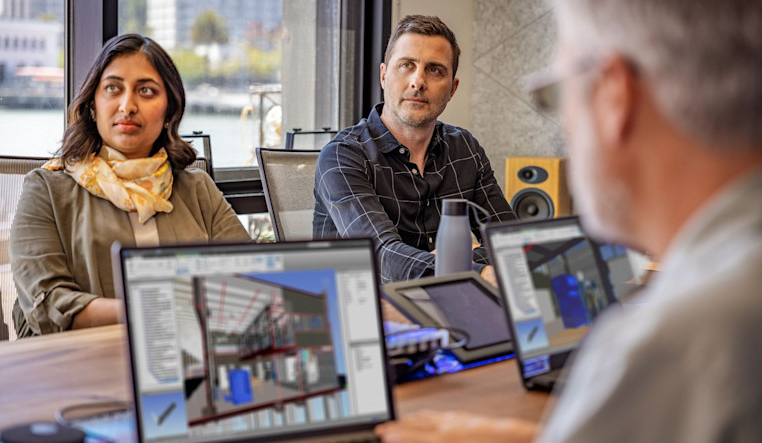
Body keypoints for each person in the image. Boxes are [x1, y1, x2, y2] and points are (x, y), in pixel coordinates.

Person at [375, 0, 762, 441]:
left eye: (555, 94)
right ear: (385, 72)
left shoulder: (672, 345)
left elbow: (510, 235)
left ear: (615, 98)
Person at [11, 34, 250, 337]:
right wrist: (155, 310)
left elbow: (250, 279)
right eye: (113, 88)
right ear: (93, 105)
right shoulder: (45, 189)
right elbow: (47, 305)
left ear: (169, 112)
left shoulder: (198, 189)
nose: (128, 106)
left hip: (188, 360)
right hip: (82, 366)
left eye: (146, 91)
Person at [313, 15, 516, 284]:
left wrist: (449, 262)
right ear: (384, 76)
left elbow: (511, 240)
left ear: (452, 88)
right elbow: (381, 257)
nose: (418, 81)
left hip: (445, 303)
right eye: (407, 65)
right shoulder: (343, 156)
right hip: (363, 309)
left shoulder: (465, 149)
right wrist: (473, 266)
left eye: (434, 70)